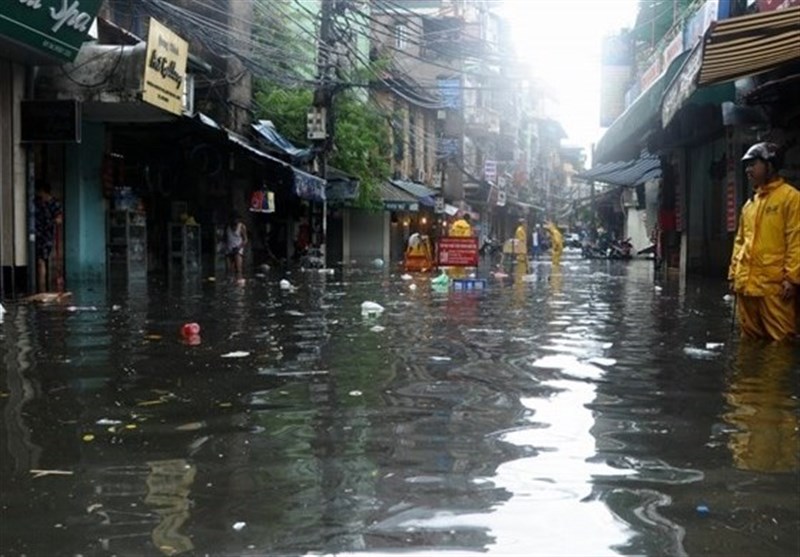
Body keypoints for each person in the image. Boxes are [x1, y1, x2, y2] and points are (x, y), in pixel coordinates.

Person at [728, 142, 799, 341]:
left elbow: (796, 239)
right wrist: (733, 275)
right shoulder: (749, 205)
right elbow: (740, 242)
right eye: (747, 166)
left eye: (753, 164)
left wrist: (792, 278)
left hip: (775, 287)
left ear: (770, 165)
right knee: (749, 341)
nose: (748, 170)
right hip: (746, 286)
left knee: (781, 342)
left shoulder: (791, 198)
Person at [34, 182, 63, 292]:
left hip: (47, 235)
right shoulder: (37, 202)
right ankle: (41, 287)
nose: (39, 194)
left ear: (44, 192)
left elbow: (59, 219)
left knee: (41, 260)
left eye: (40, 192)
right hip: (37, 234)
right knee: (39, 260)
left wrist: (55, 221)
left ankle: (42, 287)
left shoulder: (54, 204)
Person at [225, 211, 248, 281]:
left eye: (236, 219)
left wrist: (239, 247)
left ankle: (239, 281)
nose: (235, 221)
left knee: (238, 269)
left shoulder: (242, 227)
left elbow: (245, 240)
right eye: (233, 219)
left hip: (238, 249)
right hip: (229, 249)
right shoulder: (227, 227)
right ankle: (230, 282)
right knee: (228, 269)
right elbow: (225, 238)